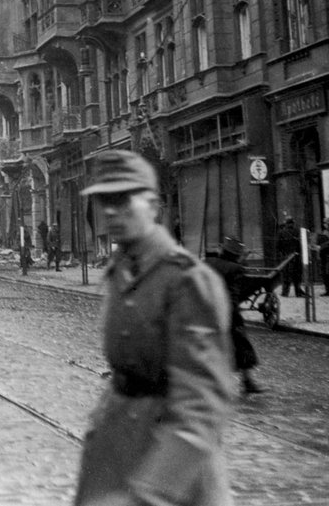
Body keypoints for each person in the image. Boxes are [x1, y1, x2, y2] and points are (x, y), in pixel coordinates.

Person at [74, 150, 233, 506]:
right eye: (105, 201)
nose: (112, 211)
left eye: (124, 200)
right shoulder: (118, 273)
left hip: (173, 472)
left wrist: (150, 494)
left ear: (153, 205)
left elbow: (201, 405)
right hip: (116, 455)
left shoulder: (187, 280)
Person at [205, 237, 265, 395]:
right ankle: (247, 382)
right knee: (241, 346)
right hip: (226, 313)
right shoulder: (236, 269)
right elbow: (233, 294)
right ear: (235, 254)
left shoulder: (208, 262)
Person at [276, 217, 304, 297]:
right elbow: (300, 245)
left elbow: (278, 245)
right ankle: (298, 291)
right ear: (292, 223)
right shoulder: (297, 232)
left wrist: (282, 254)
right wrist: (298, 253)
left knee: (286, 275)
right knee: (297, 275)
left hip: (286, 257)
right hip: (296, 256)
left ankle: (285, 292)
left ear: (286, 224)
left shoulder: (281, 232)